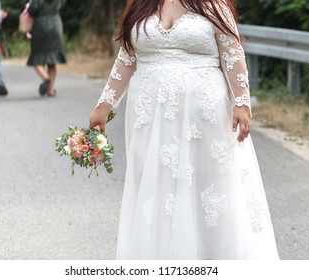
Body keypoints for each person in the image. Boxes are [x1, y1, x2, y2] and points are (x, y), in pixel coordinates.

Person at [89, 0, 279, 259]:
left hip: (204, 115)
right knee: (156, 186)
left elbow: (232, 53)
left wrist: (242, 103)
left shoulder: (214, 5)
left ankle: (211, 256)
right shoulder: (140, 4)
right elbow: (126, 57)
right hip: (149, 118)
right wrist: (104, 104)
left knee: (206, 185)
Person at [27, 0, 66, 97]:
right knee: (52, 59)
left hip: (41, 27)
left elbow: (32, 10)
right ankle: (50, 90)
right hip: (56, 25)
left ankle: (45, 78)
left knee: (37, 58)